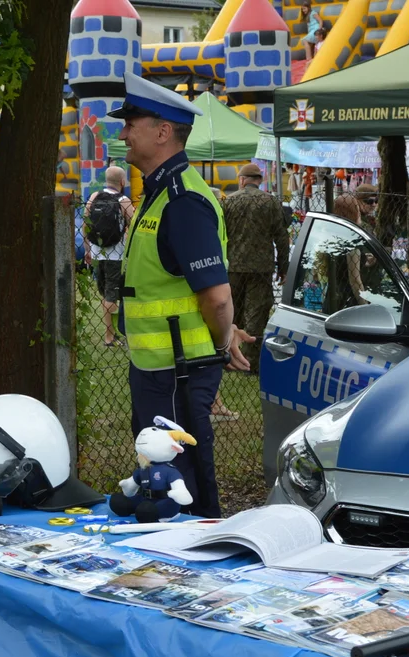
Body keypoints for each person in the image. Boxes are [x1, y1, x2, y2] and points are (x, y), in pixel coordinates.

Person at [109, 71, 252, 518]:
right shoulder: (157, 194)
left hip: (179, 369)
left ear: (163, 131)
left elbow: (217, 298)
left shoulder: (181, 200)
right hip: (160, 366)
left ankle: (191, 564)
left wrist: (220, 339)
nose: (123, 132)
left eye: (132, 123)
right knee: (161, 466)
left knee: (180, 474)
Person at [222, 163, 289, 374]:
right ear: (259, 181)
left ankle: (229, 357)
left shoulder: (228, 202)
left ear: (242, 180)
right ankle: (250, 363)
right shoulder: (270, 202)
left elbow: (220, 235)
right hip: (261, 267)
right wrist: (284, 267)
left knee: (232, 314)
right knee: (256, 315)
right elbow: (282, 237)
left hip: (233, 265)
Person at [86, 165, 135, 347]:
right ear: (122, 182)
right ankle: (110, 336)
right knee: (111, 294)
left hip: (98, 252)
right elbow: (134, 224)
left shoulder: (93, 197)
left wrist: (88, 250)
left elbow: (85, 223)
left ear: (105, 181)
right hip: (116, 255)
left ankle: (112, 332)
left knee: (105, 291)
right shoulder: (123, 200)